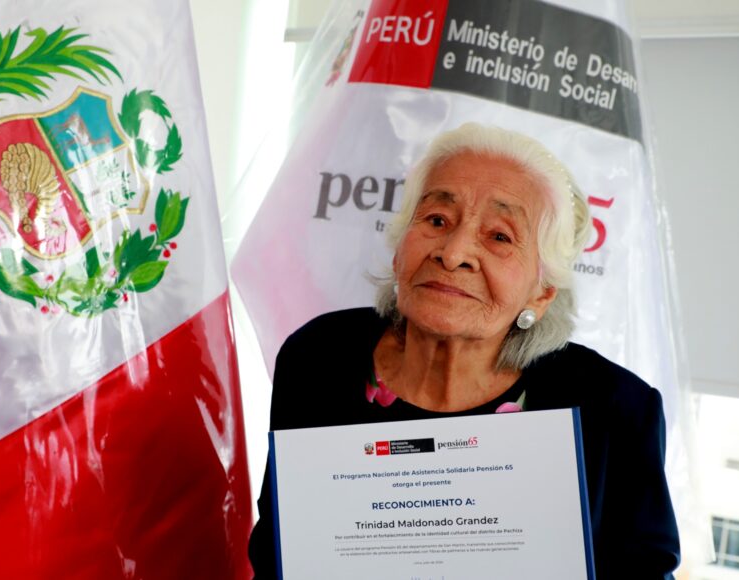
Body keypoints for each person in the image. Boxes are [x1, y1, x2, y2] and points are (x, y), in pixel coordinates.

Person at [248, 123, 680, 579]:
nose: (453, 253)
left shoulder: (614, 409)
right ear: (399, 248)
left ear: (542, 292)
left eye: (499, 236)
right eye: (437, 221)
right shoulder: (318, 358)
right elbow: (280, 545)